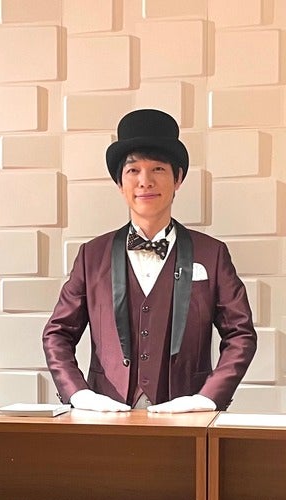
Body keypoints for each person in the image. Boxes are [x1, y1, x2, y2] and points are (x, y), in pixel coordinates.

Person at [42, 108, 257, 413]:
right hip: (105, 419)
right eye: (133, 170)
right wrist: (79, 394)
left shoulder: (212, 254)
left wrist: (207, 398)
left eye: (158, 169)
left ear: (178, 178)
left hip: (187, 419)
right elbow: (57, 333)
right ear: (120, 183)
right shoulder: (92, 255)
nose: (145, 181)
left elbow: (240, 334)